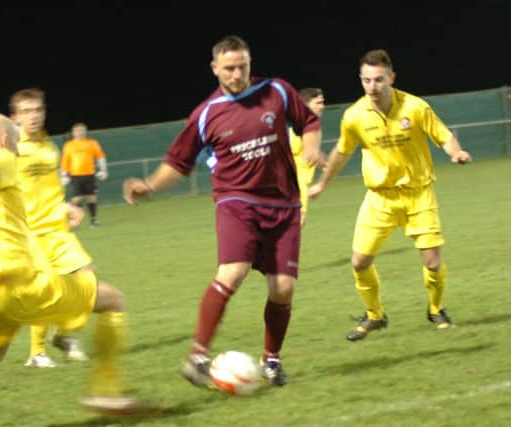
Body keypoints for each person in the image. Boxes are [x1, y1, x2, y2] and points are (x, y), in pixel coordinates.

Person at [123, 35, 322, 387]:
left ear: (250, 62)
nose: (236, 74)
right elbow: (178, 162)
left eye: (242, 66)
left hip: (284, 203)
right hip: (236, 201)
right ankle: (198, 357)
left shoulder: (277, 91)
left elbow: (308, 122)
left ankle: (272, 361)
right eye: (229, 68)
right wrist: (150, 186)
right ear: (215, 68)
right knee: (233, 272)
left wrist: (309, 148)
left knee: (283, 289)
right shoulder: (206, 114)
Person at [0, 113, 146, 427]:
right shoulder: (2, 157)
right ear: (5, 139)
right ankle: (107, 390)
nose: (17, 148)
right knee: (113, 301)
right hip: (15, 285)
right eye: (14, 141)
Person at [308, 49, 472, 341]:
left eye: (379, 80)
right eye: (366, 80)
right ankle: (375, 316)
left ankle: (436, 309)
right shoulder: (355, 116)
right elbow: (340, 154)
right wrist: (322, 184)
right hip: (379, 199)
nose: (372, 87)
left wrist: (456, 152)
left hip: (418, 194)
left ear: (391, 78)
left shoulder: (415, 107)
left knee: (433, 262)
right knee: (359, 262)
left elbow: (443, 135)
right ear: (361, 80)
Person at [8, 88, 93, 367]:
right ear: (15, 117)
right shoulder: (9, 148)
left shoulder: (50, 147)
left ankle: (64, 335)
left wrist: (67, 206)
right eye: (26, 111)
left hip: (57, 229)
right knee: (46, 290)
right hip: (29, 232)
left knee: (86, 279)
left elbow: (52, 188)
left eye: (38, 110)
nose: (33, 116)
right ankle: (37, 353)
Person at [289, 88, 325, 225]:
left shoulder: (310, 125)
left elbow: (312, 153)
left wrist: (326, 167)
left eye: (322, 102)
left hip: (300, 182)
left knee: (295, 222)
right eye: (317, 103)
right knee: (298, 221)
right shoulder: (300, 125)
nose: (322, 106)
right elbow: (312, 155)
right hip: (293, 182)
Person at [60, 122, 108, 227]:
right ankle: (71, 218)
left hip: (89, 175)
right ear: (73, 133)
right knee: (76, 198)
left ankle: (94, 220)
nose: (80, 133)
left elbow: (100, 157)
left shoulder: (92, 143)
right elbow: (65, 161)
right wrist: (64, 175)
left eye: (82, 130)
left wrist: (103, 170)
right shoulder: (69, 145)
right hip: (76, 176)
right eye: (77, 131)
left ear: (85, 132)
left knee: (91, 197)